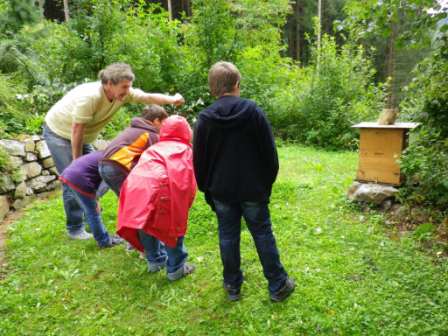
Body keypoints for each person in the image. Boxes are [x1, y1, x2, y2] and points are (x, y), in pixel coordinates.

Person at [43, 63, 184, 240]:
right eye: (124, 86)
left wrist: (172, 99)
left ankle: (90, 212)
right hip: (59, 132)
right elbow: (76, 129)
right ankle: (75, 227)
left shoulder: (123, 94)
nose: (128, 90)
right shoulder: (90, 97)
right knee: (72, 178)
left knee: (101, 174)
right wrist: (76, 161)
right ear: (109, 83)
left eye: (129, 86)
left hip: (84, 136)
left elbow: (147, 97)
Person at [193, 61, 295, 302]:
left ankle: (232, 286)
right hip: (252, 189)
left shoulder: (205, 119)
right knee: (262, 233)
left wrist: (207, 190)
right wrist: (264, 184)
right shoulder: (253, 111)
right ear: (237, 85)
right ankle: (278, 285)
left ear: (212, 88)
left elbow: (199, 161)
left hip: (222, 191)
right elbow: (270, 155)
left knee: (228, 236)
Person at [117, 115, 196, 281]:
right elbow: (184, 181)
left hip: (135, 187)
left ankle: (155, 261)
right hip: (161, 187)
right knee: (172, 224)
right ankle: (176, 268)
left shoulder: (154, 148)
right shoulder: (184, 150)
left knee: (145, 223)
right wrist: (183, 204)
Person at [99, 104, 168, 196]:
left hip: (104, 165)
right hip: (118, 166)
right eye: (163, 123)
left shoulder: (132, 129)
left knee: (126, 199)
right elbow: (156, 159)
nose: (164, 126)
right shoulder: (150, 134)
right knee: (134, 198)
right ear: (156, 121)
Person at [59, 151, 123, 248]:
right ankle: (104, 241)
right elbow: (105, 182)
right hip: (79, 178)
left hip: (67, 174)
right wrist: (95, 198)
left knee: (85, 206)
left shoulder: (105, 153)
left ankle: (78, 228)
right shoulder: (113, 161)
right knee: (93, 211)